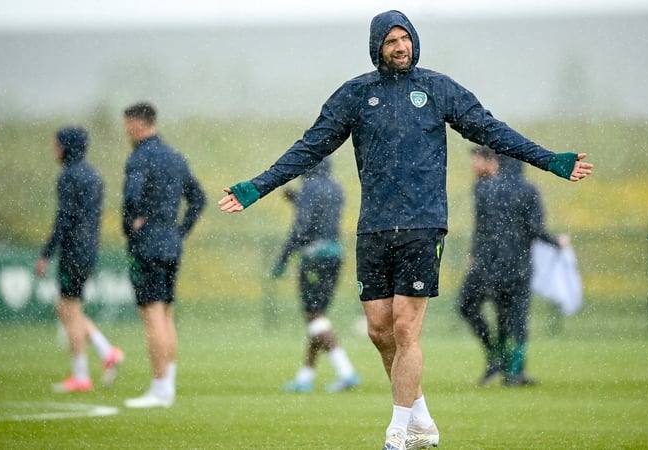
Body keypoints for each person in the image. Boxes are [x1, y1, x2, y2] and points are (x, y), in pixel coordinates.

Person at [218, 10, 592, 449]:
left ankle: (398, 432)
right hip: (374, 228)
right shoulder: (356, 94)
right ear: (378, 46)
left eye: (406, 38)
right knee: (379, 331)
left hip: (423, 224)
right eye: (392, 40)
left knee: (405, 327)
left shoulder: (437, 89)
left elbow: (492, 129)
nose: (401, 46)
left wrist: (550, 160)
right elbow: (308, 149)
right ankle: (422, 421)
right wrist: (256, 187)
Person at [459, 147, 568, 388]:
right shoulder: (528, 191)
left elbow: (482, 227)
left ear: (496, 161)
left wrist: (476, 253)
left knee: (489, 310)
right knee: (515, 316)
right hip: (518, 264)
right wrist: (556, 241)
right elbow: (535, 229)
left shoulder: (483, 189)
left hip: (489, 264)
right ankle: (514, 371)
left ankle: (497, 358)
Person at [121, 102, 206, 408]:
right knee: (166, 313)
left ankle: (159, 389)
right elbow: (199, 199)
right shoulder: (174, 156)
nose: (125, 131)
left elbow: (132, 196)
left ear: (136, 124)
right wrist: (179, 231)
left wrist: (135, 220)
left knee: (153, 313)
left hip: (148, 244)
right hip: (171, 243)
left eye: (126, 125)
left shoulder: (140, 157)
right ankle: (166, 385)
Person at [37, 126, 125, 393]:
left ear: (66, 146)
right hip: (88, 248)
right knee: (67, 308)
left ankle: (81, 376)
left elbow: (64, 219)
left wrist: (46, 253)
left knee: (69, 309)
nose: (53, 148)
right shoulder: (93, 175)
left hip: (73, 250)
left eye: (56, 144)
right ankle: (106, 351)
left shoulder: (69, 176)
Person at [272, 157, 360, 394]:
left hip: (314, 257)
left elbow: (303, 225)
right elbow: (322, 215)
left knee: (314, 316)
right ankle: (306, 376)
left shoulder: (309, 187)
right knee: (318, 318)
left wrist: (283, 258)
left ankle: (346, 371)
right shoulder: (335, 187)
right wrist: (297, 201)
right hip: (335, 254)